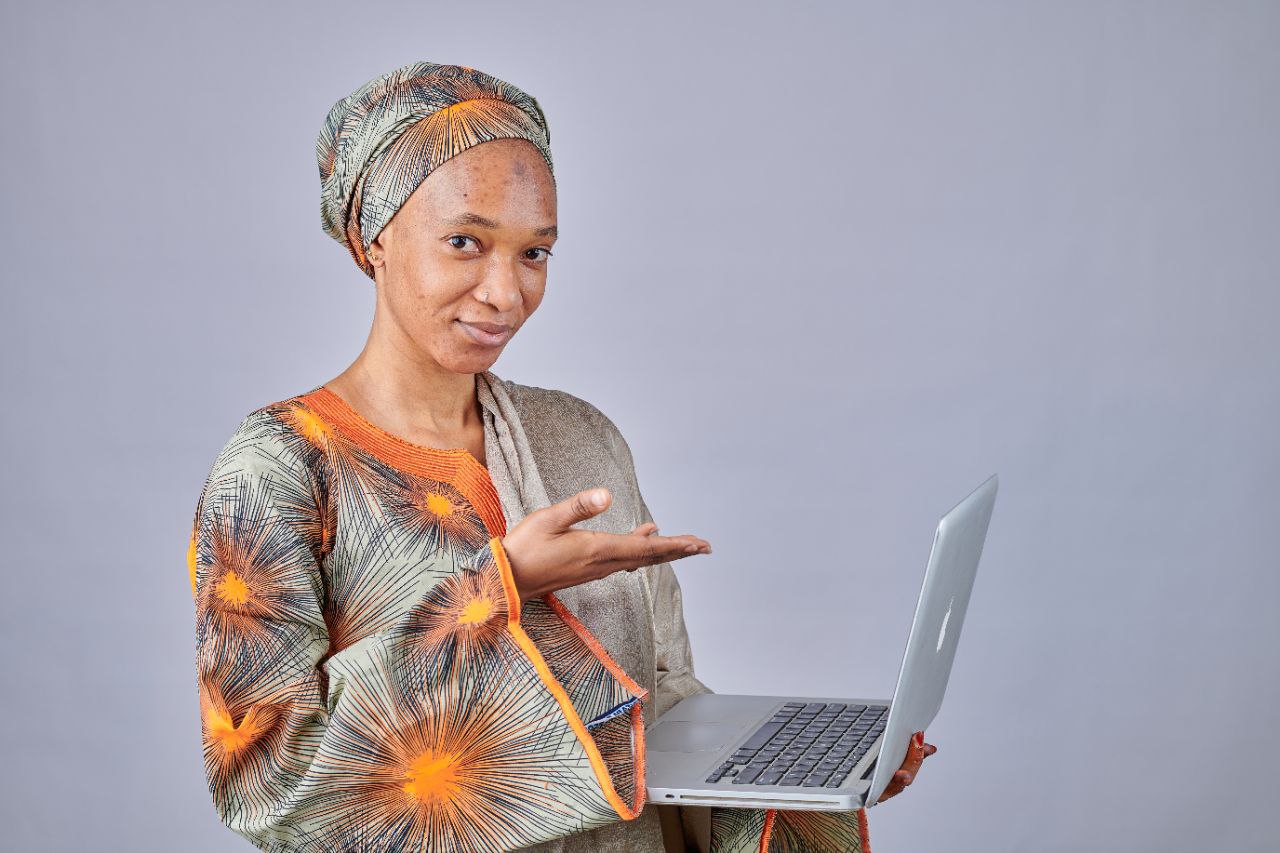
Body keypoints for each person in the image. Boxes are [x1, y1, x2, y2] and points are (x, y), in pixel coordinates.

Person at [187, 61, 934, 853]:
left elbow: (664, 700)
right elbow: (265, 780)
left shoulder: (582, 436)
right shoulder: (278, 471)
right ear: (373, 238)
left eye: (535, 253)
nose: (506, 293)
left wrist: (806, 776)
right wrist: (496, 591)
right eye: (465, 243)